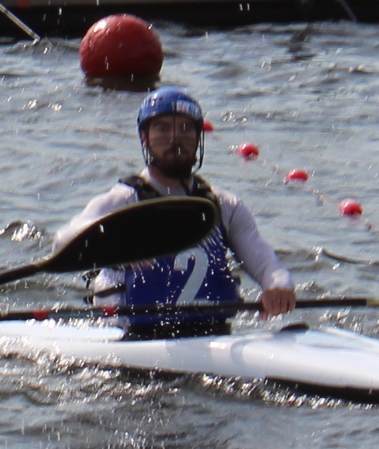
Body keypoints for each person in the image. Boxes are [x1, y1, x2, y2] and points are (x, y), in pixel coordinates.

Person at [59, 84, 295, 337]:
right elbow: (65, 238)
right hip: (130, 337)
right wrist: (111, 245)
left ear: (198, 137)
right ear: (144, 137)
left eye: (185, 128)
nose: (175, 138)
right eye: (162, 129)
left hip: (211, 335)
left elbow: (266, 263)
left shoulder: (225, 205)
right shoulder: (123, 201)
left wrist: (278, 286)